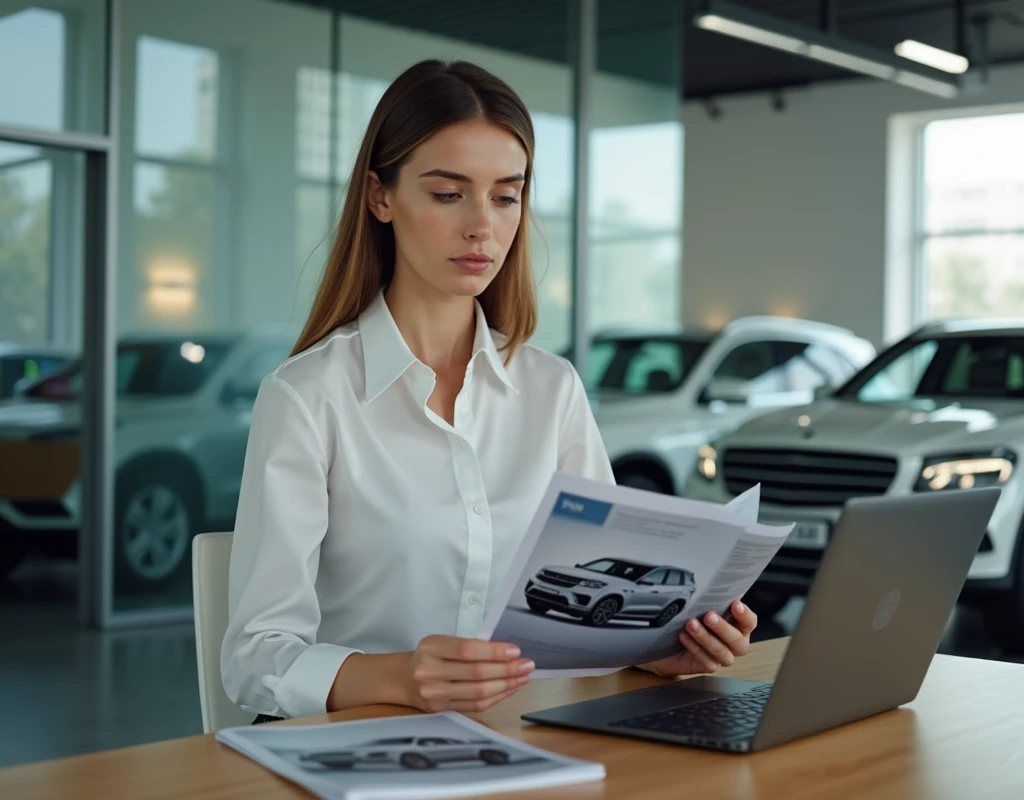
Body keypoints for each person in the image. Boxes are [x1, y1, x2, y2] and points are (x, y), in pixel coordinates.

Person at [220, 60, 758, 723]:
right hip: (367, 757)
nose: (483, 226)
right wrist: (397, 677)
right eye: (449, 194)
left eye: (506, 196)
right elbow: (252, 657)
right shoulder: (308, 396)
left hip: (529, 740)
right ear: (380, 197)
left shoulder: (551, 389)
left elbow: (600, 609)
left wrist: (657, 650)